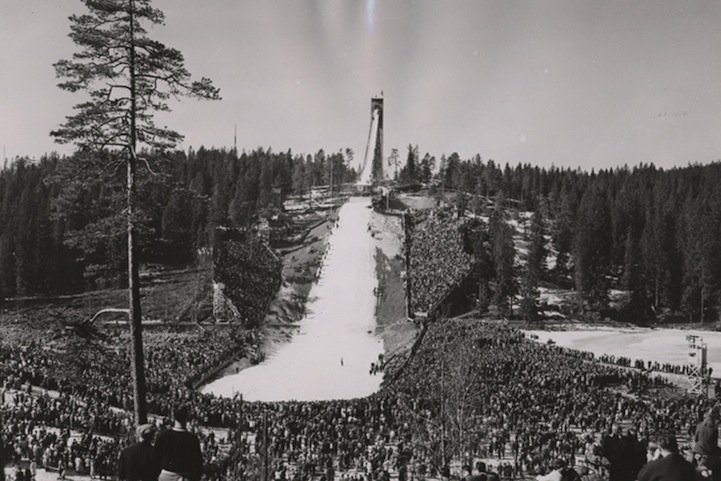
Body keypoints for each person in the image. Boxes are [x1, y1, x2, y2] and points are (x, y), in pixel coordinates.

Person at [155, 404, 203, 481]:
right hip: (184, 476)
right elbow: (198, 464)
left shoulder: (163, 435)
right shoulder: (192, 439)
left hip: (166, 475)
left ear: (173, 417)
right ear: (187, 417)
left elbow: (155, 458)